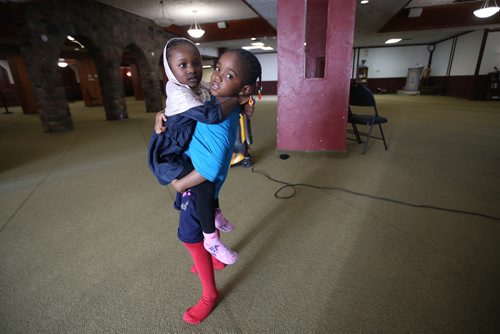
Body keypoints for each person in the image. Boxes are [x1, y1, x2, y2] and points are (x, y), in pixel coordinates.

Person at [156, 49, 262, 324]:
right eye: (217, 68)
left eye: (228, 75)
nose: (216, 77)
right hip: (208, 182)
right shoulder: (222, 100)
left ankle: (209, 295)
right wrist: (163, 113)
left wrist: (180, 184)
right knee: (208, 210)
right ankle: (215, 256)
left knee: (190, 239)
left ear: (243, 87)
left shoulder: (217, 114)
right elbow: (188, 106)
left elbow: (211, 168)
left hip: (197, 180)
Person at [149, 38, 246, 265]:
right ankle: (210, 238)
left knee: (210, 178)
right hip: (171, 154)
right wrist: (236, 99)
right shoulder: (177, 91)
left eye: (196, 63)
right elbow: (212, 115)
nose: (191, 69)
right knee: (203, 181)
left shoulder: (196, 87)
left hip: (188, 145)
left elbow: (214, 101)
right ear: (169, 70)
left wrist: (243, 104)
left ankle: (215, 211)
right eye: (182, 65)